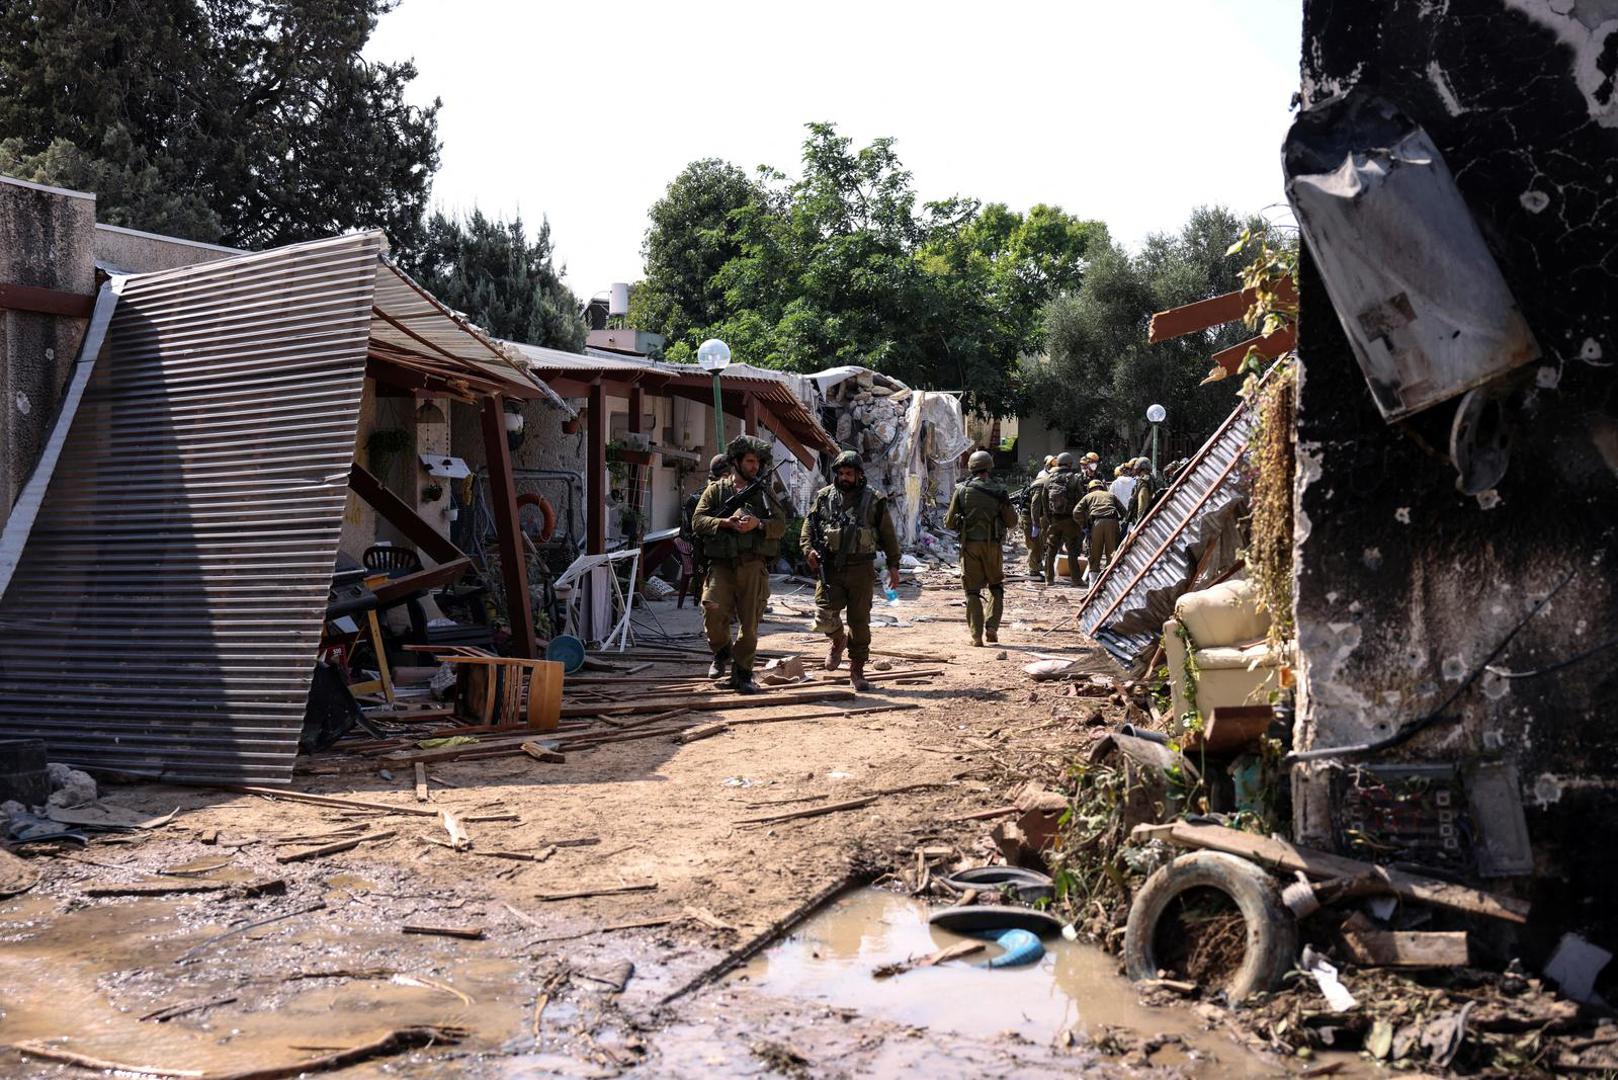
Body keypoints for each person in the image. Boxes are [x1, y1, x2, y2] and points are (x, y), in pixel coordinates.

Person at [692, 435, 784, 693]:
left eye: (758, 462)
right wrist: (724, 523)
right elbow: (697, 521)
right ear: (737, 462)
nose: (755, 466)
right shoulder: (717, 491)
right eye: (750, 461)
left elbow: (781, 526)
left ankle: (743, 674)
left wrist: (759, 524)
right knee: (712, 608)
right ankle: (722, 651)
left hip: (752, 564)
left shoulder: (765, 493)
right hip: (721, 565)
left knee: (749, 624)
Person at [802, 450, 901, 691]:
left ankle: (857, 670)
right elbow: (808, 529)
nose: (845, 477)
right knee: (824, 615)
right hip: (831, 567)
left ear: (858, 474)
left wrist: (893, 566)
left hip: (861, 569)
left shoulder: (874, 500)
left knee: (859, 622)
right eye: (841, 473)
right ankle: (838, 640)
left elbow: (888, 536)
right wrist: (808, 551)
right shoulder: (824, 497)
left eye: (849, 473)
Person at [946, 450, 1020, 646]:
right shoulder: (999, 490)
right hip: (993, 547)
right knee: (996, 587)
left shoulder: (961, 490)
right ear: (989, 466)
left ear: (971, 467)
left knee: (972, 591)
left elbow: (949, 522)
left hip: (969, 546)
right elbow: (1012, 521)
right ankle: (992, 627)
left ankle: (976, 636)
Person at [676, 455, 730, 608]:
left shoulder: (720, 495)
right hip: (703, 550)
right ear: (725, 476)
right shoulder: (699, 498)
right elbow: (689, 531)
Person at [1038, 452, 1085, 586]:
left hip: (1054, 520)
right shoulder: (1074, 479)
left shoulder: (1049, 479)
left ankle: (1049, 579)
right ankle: (1076, 579)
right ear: (1070, 464)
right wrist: (1079, 521)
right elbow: (1079, 501)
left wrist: (1050, 518)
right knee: (1072, 550)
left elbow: (1044, 501)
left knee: (1051, 550)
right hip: (1070, 520)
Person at [1075, 478, 1126, 585]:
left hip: (1096, 524)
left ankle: (1092, 585)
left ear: (1090, 489)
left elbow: (1076, 512)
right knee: (1112, 555)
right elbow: (1124, 512)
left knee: (1094, 554)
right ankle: (1110, 583)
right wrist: (1120, 522)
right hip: (1112, 522)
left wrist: (1084, 526)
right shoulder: (1110, 495)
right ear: (1102, 487)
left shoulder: (1088, 496)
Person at [1020, 454, 1055, 582]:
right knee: (1033, 543)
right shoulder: (1042, 484)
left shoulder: (1046, 482)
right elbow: (1035, 506)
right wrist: (1035, 525)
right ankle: (1033, 570)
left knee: (1039, 543)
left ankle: (1037, 565)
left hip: (1035, 516)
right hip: (1028, 516)